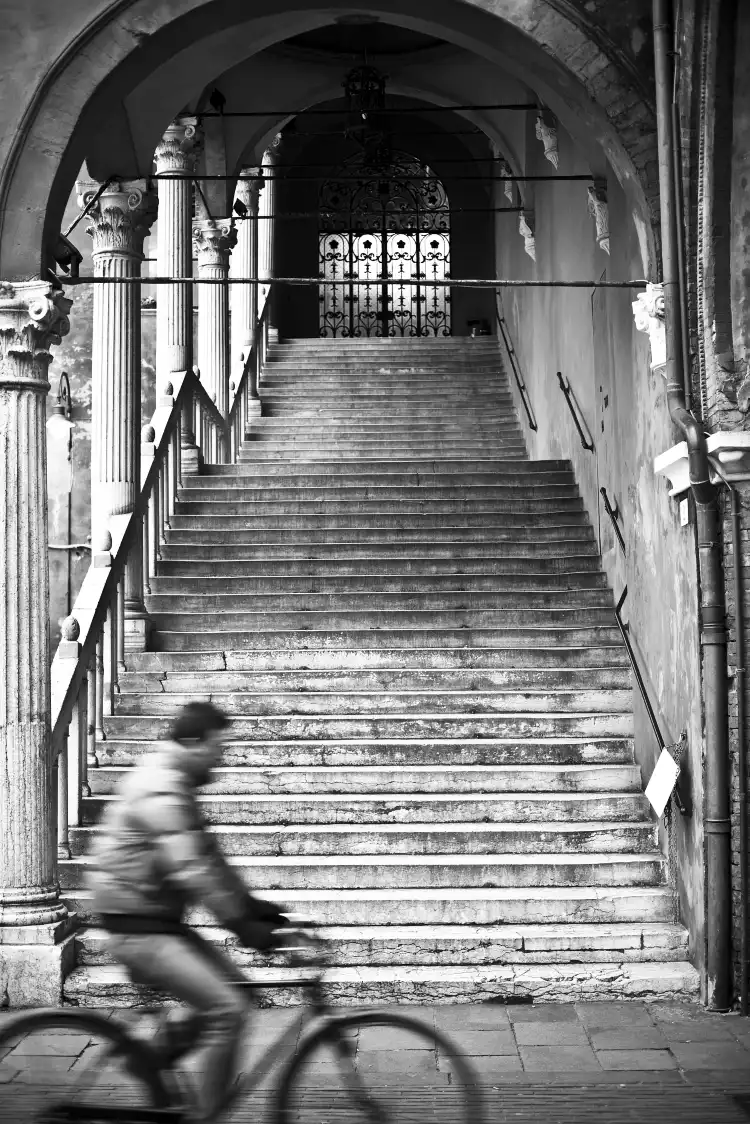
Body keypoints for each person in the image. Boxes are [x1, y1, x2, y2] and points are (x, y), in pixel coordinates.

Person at [88, 701, 288, 1122]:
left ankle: (153, 1057)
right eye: (218, 748)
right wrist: (239, 924)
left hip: (156, 920)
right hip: (136, 925)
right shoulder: (161, 786)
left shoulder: (177, 784)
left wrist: (252, 907)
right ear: (194, 743)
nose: (221, 758)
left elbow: (209, 860)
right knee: (227, 1010)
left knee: (236, 989)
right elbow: (191, 869)